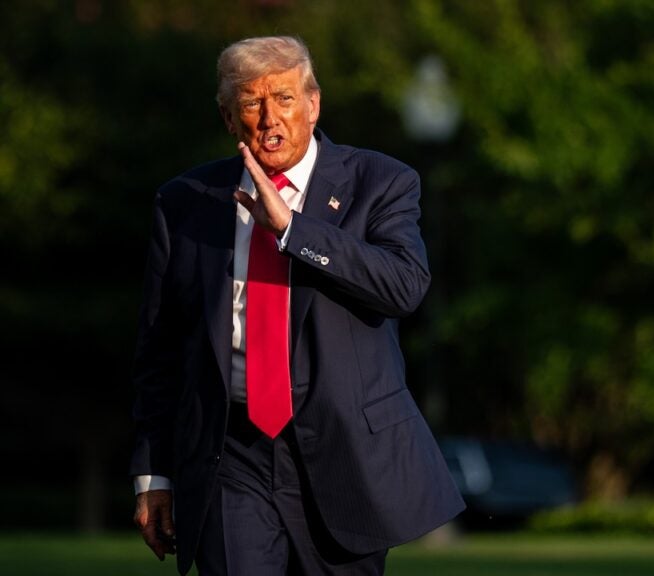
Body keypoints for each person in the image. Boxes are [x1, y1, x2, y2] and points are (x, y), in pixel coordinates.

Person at [129, 35, 465, 576]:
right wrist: (154, 473)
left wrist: (292, 231)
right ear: (227, 117)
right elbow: (160, 349)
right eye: (251, 102)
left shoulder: (379, 182)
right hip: (231, 454)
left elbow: (403, 286)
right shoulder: (184, 202)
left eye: (284, 98)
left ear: (314, 104)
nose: (269, 118)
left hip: (343, 455)